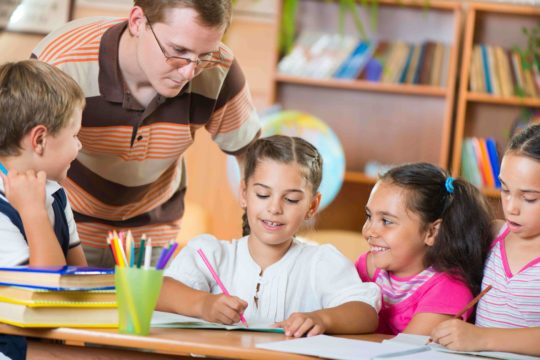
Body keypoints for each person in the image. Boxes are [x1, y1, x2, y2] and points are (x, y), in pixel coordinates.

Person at [31, 0, 260, 267]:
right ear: (138, 21)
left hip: (151, 232)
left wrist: (254, 245)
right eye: (178, 50)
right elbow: (17, 155)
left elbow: (253, 158)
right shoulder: (61, 61)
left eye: (205, 55)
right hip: (64, 222)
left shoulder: (219, 69)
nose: (189, 71)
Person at [157, 135, 381, 337]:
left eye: (291, 199)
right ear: (244, 194)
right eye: (263, 194)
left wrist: (322, 318)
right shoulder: (211, 254)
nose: (274, 208)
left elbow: (365, 312)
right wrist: (204, 304)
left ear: (312, 206)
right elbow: (160, 291)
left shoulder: (321, 262)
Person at [0, 59, 87, 360]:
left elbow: (79, 284)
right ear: (39, 139)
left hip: (50, 346)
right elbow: (46, 294)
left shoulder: (57, 194)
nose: (80, 146)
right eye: (74, 135)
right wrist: (33, 213)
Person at [431, 124, 540, 357]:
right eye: (505, 189)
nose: (511, 208)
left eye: (529, 198)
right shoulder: (493, 234)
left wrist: (482, 337)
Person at [356, 162, 493, 335]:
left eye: (387, 221)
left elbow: (403, 352)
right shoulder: (365, 267)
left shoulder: (449, 290)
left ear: (431, 232)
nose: (368, 231)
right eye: (369, 216)